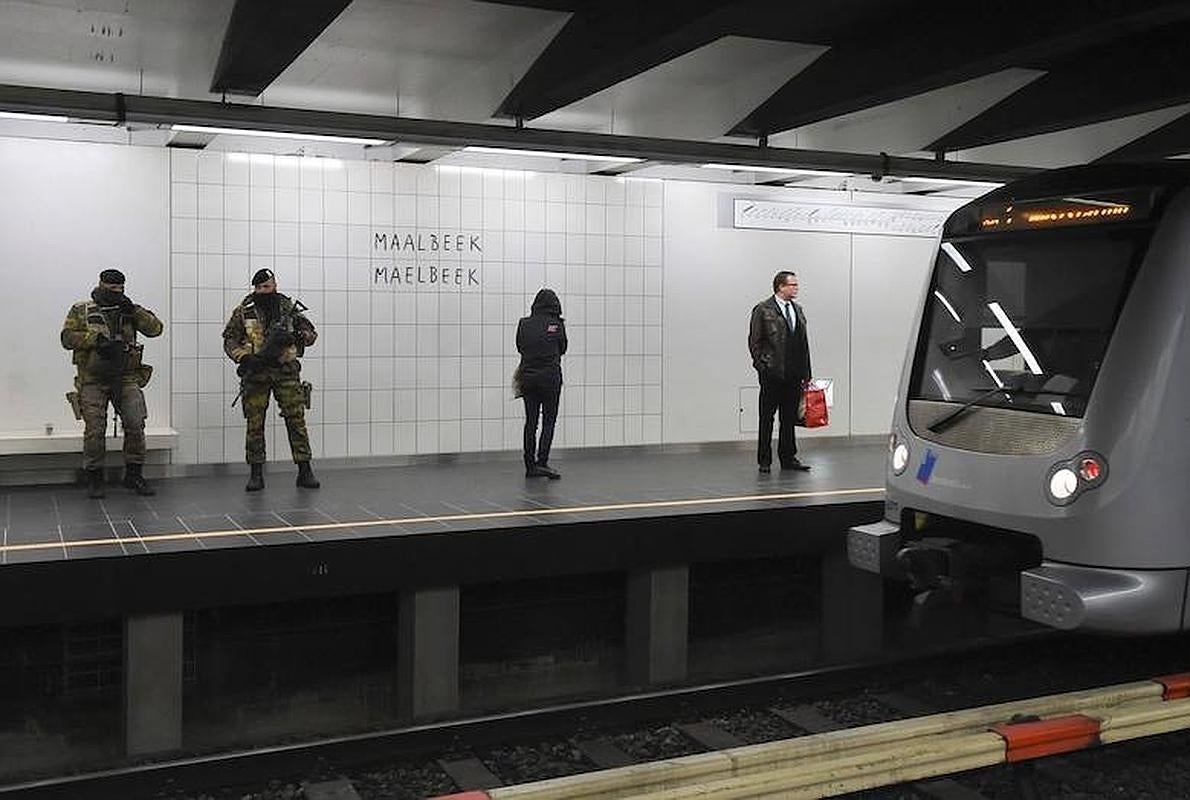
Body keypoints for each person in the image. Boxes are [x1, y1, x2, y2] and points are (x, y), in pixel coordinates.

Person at [60, 269, 164, 498]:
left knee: (136, 423)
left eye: (120, 289)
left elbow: (156, 329)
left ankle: (134, 475)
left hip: (126, 377)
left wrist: (134, 311)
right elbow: (66, 338)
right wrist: (94, 340)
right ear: (101, 285)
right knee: (95, 430)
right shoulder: (82, 309)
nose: (117, 292)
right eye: (112, 289)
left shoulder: (129, 310)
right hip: (93, 379)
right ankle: (95, 477)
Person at [222, 268, 320, 491]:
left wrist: (296, 336)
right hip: (257, 375)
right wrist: (244, 357)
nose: (261, 291)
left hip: (286, 372)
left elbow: (312, 334)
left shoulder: (288, 308)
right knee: (255, 423)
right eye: (258, 288)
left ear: (274, 285)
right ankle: (256, 473)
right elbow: (229, 340)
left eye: (266, 287)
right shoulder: (244, 310)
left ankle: (305, 470)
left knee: (296, 419)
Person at [748, 270, 812, 473]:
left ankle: (788, 458)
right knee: (767, 418)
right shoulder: (763, 309)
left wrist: (806, 373)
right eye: (792, 285)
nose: (796, 288)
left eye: (796, 285)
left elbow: (804, 343)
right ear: (780, 287)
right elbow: (754, 341)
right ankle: (764, 460)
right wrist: (762, 367)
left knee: (789, 418)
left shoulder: (798, 310)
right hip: (772, 374)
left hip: (794, 374)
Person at [516, 288, 567, 479]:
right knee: (548, 420)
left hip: (527, 377)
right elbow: (563, 348)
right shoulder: (557, 325)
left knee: (531, 422)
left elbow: (520, 347)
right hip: (550, 379)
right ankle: (542, 462)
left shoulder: (524, 324)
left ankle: (530, 465)